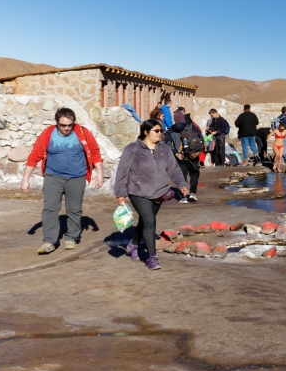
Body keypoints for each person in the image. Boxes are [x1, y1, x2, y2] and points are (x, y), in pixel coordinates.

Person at [20, 107, 105, 254]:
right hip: (53, 176)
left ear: (74, 123)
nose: (66, 128)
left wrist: (100, 173)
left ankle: (71, 237)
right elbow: (35, 155)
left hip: (76, 177)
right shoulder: (48, 133)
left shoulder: (82, 132)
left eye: (69, 125)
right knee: (50, 208)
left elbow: (95, 152)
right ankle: (49, 241)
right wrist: (25, 179)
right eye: (63, 125)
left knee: (74, 208)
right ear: (57, 123)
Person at [113, 120, 190, 270]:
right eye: (156, 131)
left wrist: (182, 184)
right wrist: (120, 193)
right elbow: (123, 172)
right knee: (149, 221)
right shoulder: (132, 149)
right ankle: (152, 258)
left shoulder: (165, 149)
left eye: (161, 130)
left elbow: (173, 169)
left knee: (145, 221)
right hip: (138, 191)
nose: (160, 133)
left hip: (159, 191)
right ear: (146, 132)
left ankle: (134, 244)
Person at [163, 119, 201, 203]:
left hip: (180, 156)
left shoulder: (171, 129)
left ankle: (183, 195)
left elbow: (168, 143)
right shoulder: (192, 126)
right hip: (193, 155)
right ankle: (192, 193)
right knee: (194, 173)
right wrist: (199, 150)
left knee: (182, 175)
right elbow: (200, 138)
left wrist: (176, 153)